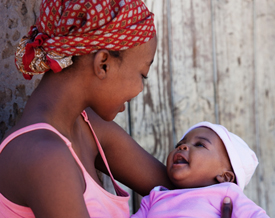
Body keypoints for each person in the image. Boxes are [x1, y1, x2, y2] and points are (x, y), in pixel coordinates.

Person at [0, 0, 233, 217]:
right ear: (103, 64)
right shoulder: (45, 157)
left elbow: (187, 188)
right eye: (142, 75)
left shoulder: (89, 125)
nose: (140, 89)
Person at [131, 121, 269, 218]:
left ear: (225, 177)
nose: (182, 147)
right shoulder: (155, 197)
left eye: (200, 145)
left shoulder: (226, 194)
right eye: (180, 144)